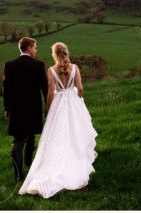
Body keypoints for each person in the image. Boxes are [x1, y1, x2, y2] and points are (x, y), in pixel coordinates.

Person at [18, 42, 98, 199]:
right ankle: (75, 158)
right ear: (66, 52)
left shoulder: (51, 70)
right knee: (75, 131)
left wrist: (48, 109)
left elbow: (50, 92)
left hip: (59, 102)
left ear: (54, 54)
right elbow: (80, 88)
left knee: (56, 135)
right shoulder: (74, 68)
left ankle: (54, 163)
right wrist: (78, 99)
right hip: (73, 101)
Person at [2, 37, 48, 182]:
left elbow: (6, 90)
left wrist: (7, 108)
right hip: (34, 108)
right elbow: (44, 88)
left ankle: (26, 166)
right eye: (35, 48)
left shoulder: (9, 65)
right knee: (23, 140)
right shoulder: (39, 65)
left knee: (24, 136)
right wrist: (49, 105)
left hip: (17, 109)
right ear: (28, 48)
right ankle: (19, 174)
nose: (35, 50)